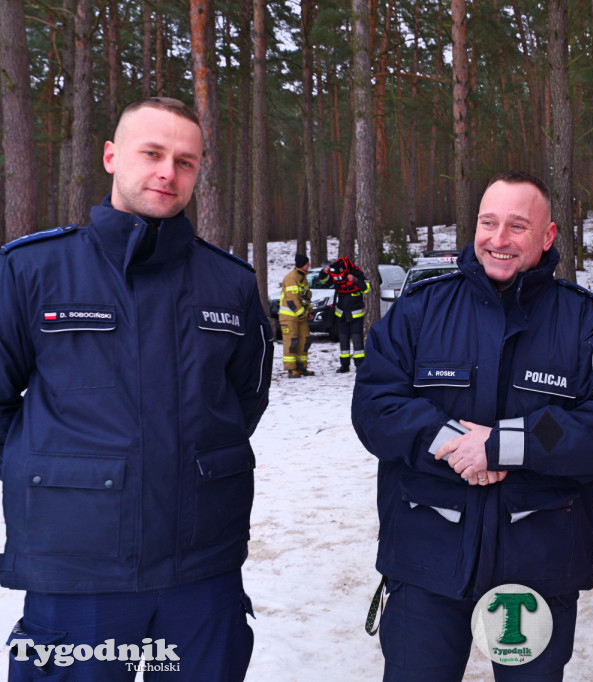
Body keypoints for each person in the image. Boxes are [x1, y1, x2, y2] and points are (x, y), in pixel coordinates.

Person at [0, 97, 273, 680]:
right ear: (110, 156)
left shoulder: (230, 283)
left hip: (202, 569)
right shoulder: (31, 271)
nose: (167, 173)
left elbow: (241, 402)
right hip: (79, 574)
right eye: (152, 153)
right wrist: (53, 474)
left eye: (186, 161)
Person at [352, 171, 593, 680]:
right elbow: (377, 404)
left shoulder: (584, 321)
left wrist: (510, 445)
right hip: (426, 558)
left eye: (517, 226)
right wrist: (453, 443)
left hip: (537, 568)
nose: (498, 239)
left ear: (548, 236)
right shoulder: (420, 311)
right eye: (489, 223)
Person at [320, 256, 369, 373]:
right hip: (341, 313)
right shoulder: (335, 273)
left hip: (356, 313)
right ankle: (344, 365)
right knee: (343, 339)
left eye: (342, 270)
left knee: (357, 340)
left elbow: (367, 288)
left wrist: (355, 280)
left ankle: (359, 365)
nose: (340, 273)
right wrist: (323, 272)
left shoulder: (356, 272)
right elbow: (323, 281)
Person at [280, 253, 314, 377]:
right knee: (291, 341)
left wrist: (310, 311)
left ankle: (301, 368)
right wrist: (301, 314)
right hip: (289, 317)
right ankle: (291, 369)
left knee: (305, 340)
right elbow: (291, 300)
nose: (308, 265)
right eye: (307, 263)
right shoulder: (291, 278)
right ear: (301, 265)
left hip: (300, 316)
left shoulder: (303, 278)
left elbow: (306, 298)